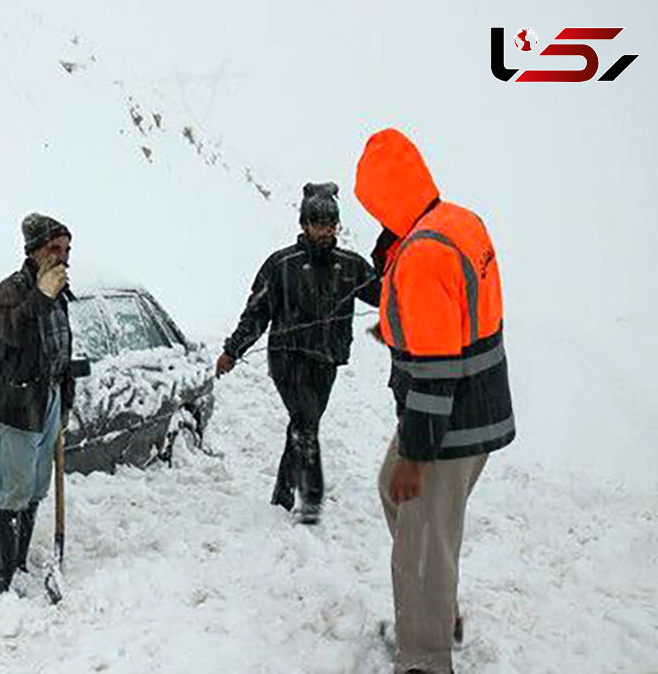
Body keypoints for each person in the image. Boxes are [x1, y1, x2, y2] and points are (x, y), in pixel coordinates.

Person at [355, 128, 515, 674]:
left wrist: (416, 460)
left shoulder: (422, 253)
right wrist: (398, 327)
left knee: (421, 543)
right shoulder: (458, 221)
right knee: (398, 498)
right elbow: (456, 313)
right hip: (473, 405)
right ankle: (434, 616)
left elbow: (438, 370)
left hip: (448, 424)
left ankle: (424, 657)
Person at [216, 182, 381, 523]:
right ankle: (311, 501)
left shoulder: (350, 266)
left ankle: (281, 494)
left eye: (330, 224)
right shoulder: (281, 264)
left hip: (327, 360)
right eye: (318, 224)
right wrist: (233, 350)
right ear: (304, 225)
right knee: (306, 423)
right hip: (287, 358)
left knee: (304, 422)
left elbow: (385, 293)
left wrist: (393, 247)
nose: (325, 231)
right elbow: (256, 312)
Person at [0, 213, 76, 593]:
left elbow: (60, 348)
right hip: (17, 404)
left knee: (36, 486)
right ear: (34, 251)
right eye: (55, 248)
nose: (63, 257)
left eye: (67, 249)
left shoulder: (59, 291)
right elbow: (13, 332)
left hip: (48, 397)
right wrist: (42, 295)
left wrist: (65, 399)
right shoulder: (14, 289)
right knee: (11, 491)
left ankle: (19, 564)